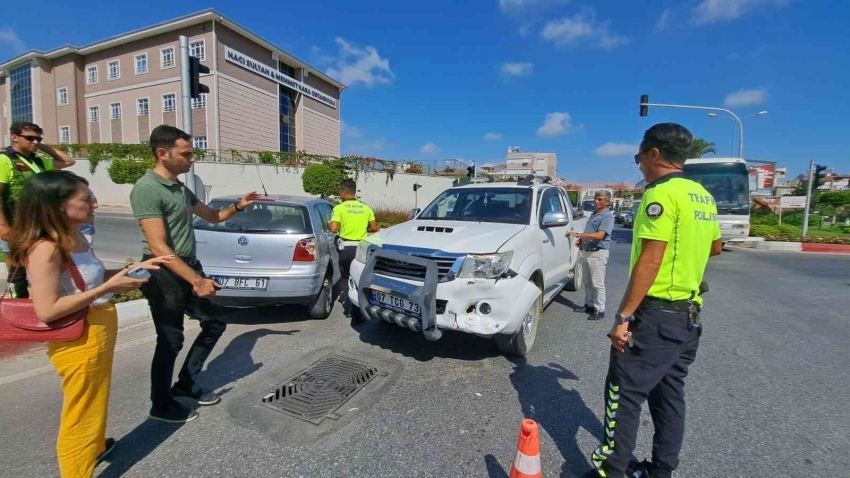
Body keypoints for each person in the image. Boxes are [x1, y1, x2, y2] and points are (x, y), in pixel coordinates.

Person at [8, 170, 170, 478]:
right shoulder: (47, 248)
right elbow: (47, 309)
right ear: (58, 206)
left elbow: (89, 278)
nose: (94, 203)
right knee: (81, 414)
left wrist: (130, 271)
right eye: (85, 199)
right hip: (79, 338)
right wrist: (105, 289)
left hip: (96, 328)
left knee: (95, 401)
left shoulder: (75, 236)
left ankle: (95, 447)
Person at [585, 123, 722, 478]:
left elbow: (651, 258)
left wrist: (624, 315)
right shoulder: (701, 195)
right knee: (669, 396)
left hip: (657, 314)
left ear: (654, 154)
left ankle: (613, 470)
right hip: (688, 316)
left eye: (638, 157)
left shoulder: (660, 193)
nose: (640, 165)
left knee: (623, 394)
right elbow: (715, 247)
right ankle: (661, 471)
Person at [130, 125, 259, 424]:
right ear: (163, 154)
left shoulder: (178, 187)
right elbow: (158, 245)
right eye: (186, 154)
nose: (192, 159)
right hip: (162, 271)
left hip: (187, 266)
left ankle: (185, 384)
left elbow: (213, 216)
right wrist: (196, 280)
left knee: (214, 323)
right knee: (170, 340)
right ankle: (160, 404)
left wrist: (239, 206)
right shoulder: (147, 188)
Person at [0, 121, 76, 298]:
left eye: (38, 138)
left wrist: (40, 146)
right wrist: (3, 225)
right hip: (14, 221)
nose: (34, 142)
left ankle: (42, 298)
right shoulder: (5, 159)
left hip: (39, 222)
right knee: (15, 263)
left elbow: (68, 160)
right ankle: (16, 299)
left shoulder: (38, 161)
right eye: (29, 138)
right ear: (14, 137)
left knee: (41, 262)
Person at [329, 178, 378, 320]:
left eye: (340, 191)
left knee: (346, 278)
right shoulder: (366, 208)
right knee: (361, 277)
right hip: (362, 249)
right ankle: (359, 308)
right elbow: (374, 228)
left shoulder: (339, 208)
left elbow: (333, 228)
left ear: (344, 191)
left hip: (346, 248)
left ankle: (349, 307)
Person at [568, 191, 615, 320]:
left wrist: (579, 235)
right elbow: (590, 232)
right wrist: (582, 240)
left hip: (598, 253)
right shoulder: (595, 214)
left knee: (597, 283)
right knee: (587, 281)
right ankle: (589, 305)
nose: (596, 201)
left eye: (600, 199)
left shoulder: (607, 216)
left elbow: (600, 235)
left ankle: (600, 309)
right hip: (587, 251)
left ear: (607, 202)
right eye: (595, 199)